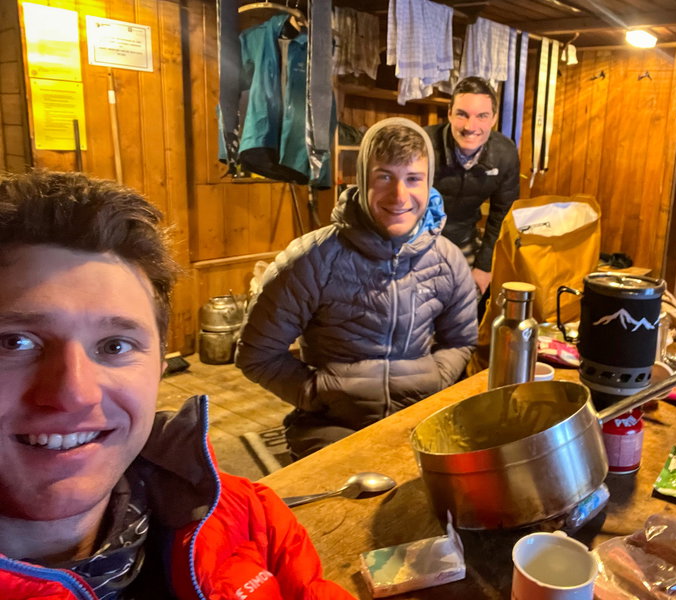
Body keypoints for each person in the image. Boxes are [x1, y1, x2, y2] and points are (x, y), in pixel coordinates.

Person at [0, 170, 352, 599]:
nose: (75, 393)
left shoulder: (250, 523)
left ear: (159, 365)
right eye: (15, 342)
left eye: (114, 345)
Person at [237, 117, 478, 459]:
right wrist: (316, 393)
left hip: (421, 420)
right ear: (362, 180)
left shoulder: (448, 261)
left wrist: (437, 378)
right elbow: (256, 354)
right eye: (384, 177)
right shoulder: (311, 260)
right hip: (333, 426)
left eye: (413, 179)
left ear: (429, 184)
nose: (399, 195)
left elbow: (461, 340)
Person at [425, 76, 521, 295]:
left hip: (464, 237)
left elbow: (502, 214)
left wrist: (484, 266)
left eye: (482, 116)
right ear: (449, 113)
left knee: (469, 302)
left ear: (494, 118)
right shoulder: (423, 144)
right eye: (462, 114)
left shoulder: (505, 153)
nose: (471, 126)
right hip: (419, 239)